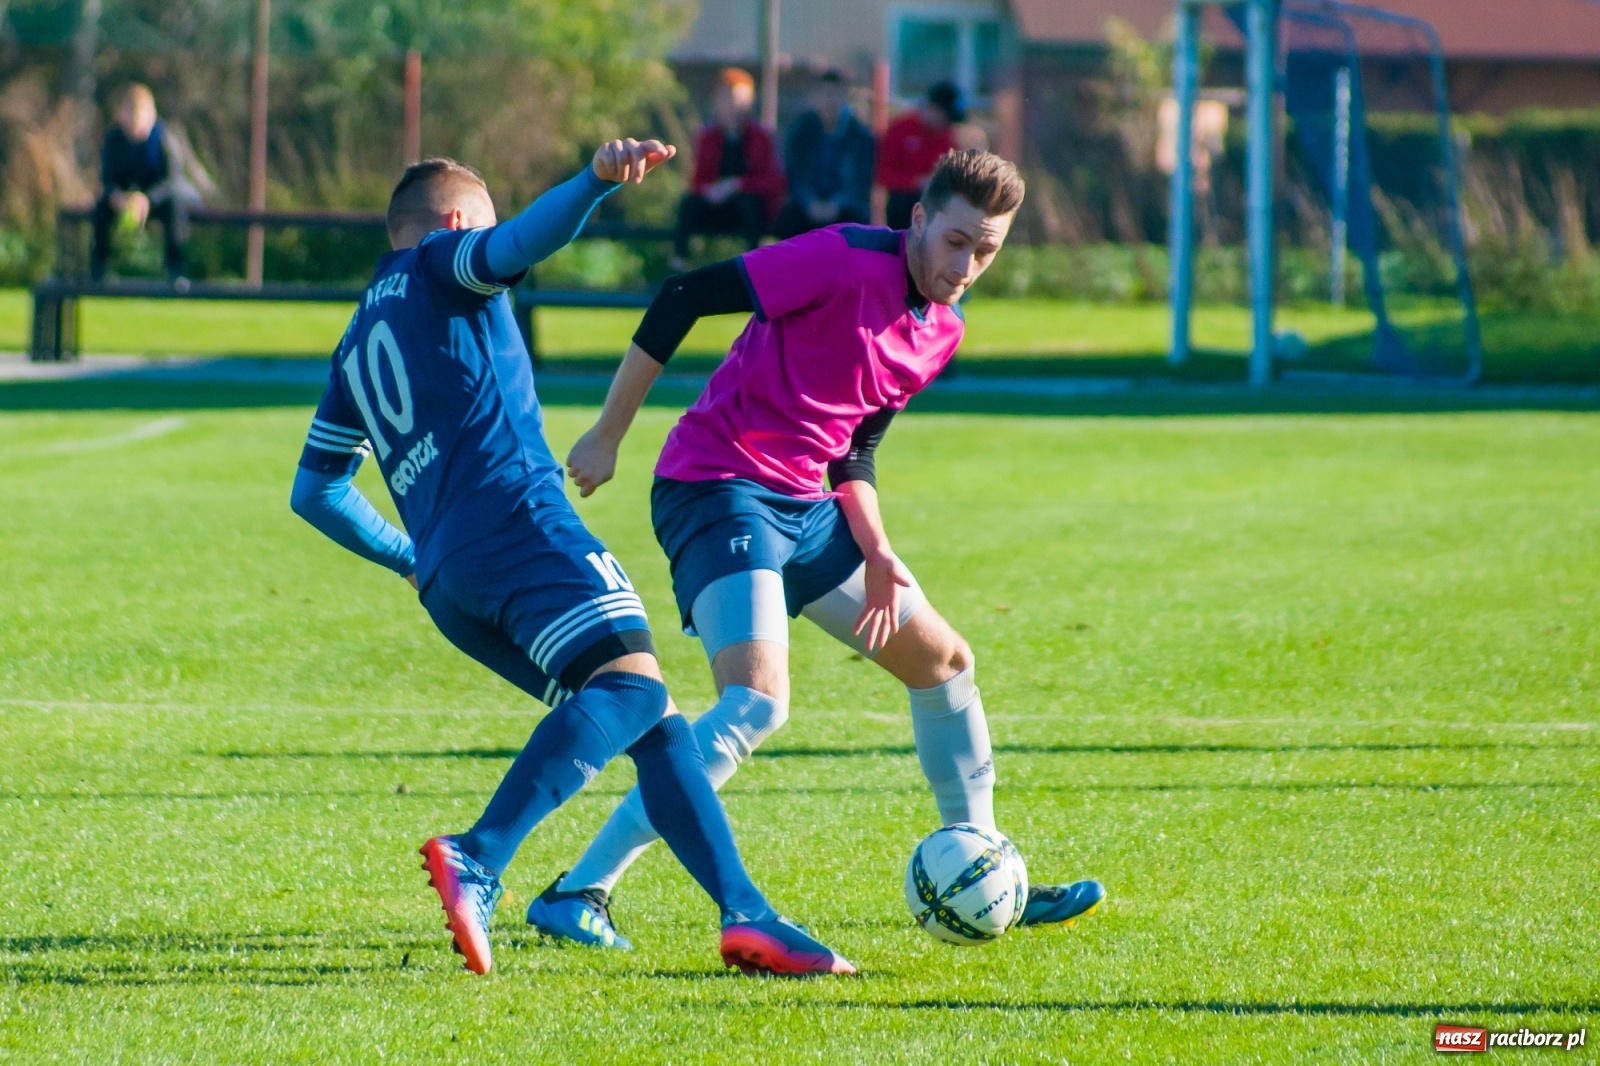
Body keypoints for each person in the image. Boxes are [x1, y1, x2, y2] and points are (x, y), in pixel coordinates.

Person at [288, 138, 853, 978]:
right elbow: (517, 243)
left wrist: (410, 557)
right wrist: (594, 183)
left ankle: (748, 915)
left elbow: (317, 490)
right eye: (476, 222)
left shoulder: (357, 332)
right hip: (522, 526)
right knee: (631, 686)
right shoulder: (448, 260)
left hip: (450, 582)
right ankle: (481, 853)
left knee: (653, 720)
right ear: (449, 223)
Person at [533, 150, 1105, 947]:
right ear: (918, 221)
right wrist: (608, 434)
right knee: (757, 702)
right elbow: (685, 294)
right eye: (955, 241)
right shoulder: (839, 258)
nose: (965, 265)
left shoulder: (941, 332)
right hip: (717, 485)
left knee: (944, 663)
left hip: (806, 506)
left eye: (987, 251)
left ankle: (984, 859)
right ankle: (579, 889)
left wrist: (877, 550)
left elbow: (853, 453)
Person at [91, 83, 213, 281]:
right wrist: (116, 197)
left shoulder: (164, 137)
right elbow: (107, 180)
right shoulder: (113, 139)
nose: (135, 123)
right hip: (128, 201)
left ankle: (175, 272)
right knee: (101, 209)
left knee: (176, 207)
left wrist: (147, 200)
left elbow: (172, 181)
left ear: (152, 115)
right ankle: (98, 270)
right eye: (130, 115)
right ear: (122, 115)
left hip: (162, 200)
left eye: (140, 116)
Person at [670, 68, 785, 271]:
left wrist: (737, 184)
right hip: (716, 209)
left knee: (751, 205)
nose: (733, 106)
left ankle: (755, 268)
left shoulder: (762, 137)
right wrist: (710, 191)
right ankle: (678, 264)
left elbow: (775, 182)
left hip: (747, 213)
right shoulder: (708, 138)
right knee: (689, 203)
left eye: (738, 99)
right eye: (726, 99)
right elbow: (697, 182)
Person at [774, 70, 875, 239]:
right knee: (788, 221)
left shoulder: (859, 134)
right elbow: (794, 173)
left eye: (834, 94)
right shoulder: (802, 130)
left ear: (844, 97)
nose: (829, 100)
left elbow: (862, 179)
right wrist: (809, 201)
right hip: (808, 203)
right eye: (824, 94)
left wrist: (837, 203)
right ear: (815, 97)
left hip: (845, 205)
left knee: (856, 224)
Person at [875, 82, 963, 230]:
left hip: (934, 207)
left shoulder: (948, 136)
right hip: (902, 208)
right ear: (934, 108)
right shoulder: (900, 129)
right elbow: (883, 175)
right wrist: (917, 182)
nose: (948, 125)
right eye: (946, 118)